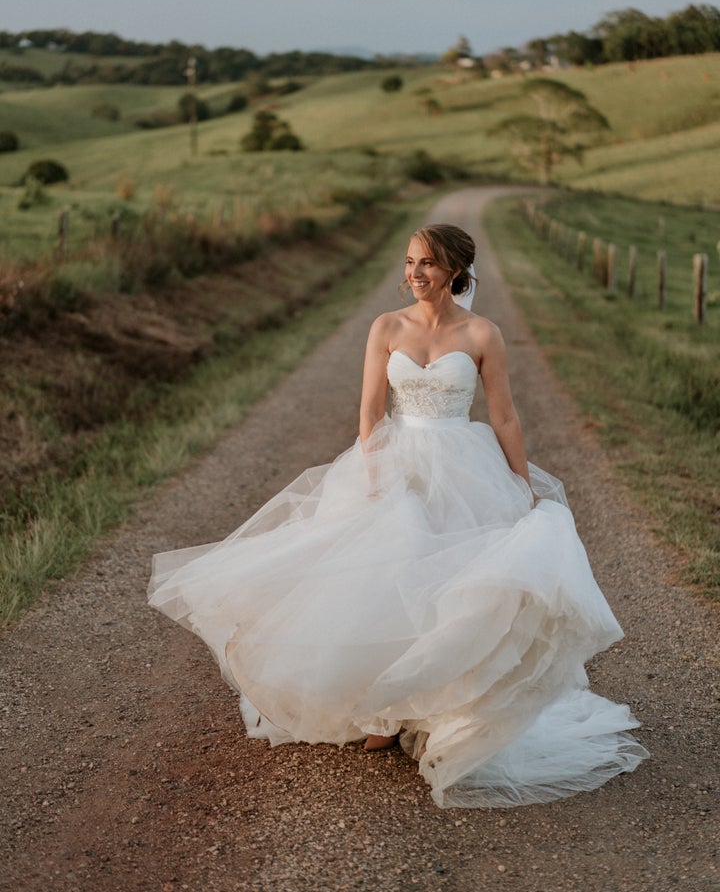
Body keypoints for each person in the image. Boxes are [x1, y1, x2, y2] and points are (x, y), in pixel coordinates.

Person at [148, 223, 648, 808]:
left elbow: (505, 417)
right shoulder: (385, 327)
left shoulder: (483, 333)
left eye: (428, 264)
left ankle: (438, 702)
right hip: (398, 458)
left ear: (456, 270)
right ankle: (382, 708)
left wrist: (521, 483)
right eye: (410, 262)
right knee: (389, 576)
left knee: (454, 584)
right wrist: (372, 474)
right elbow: (368, 412)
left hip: (464, 463)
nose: (415, 273)